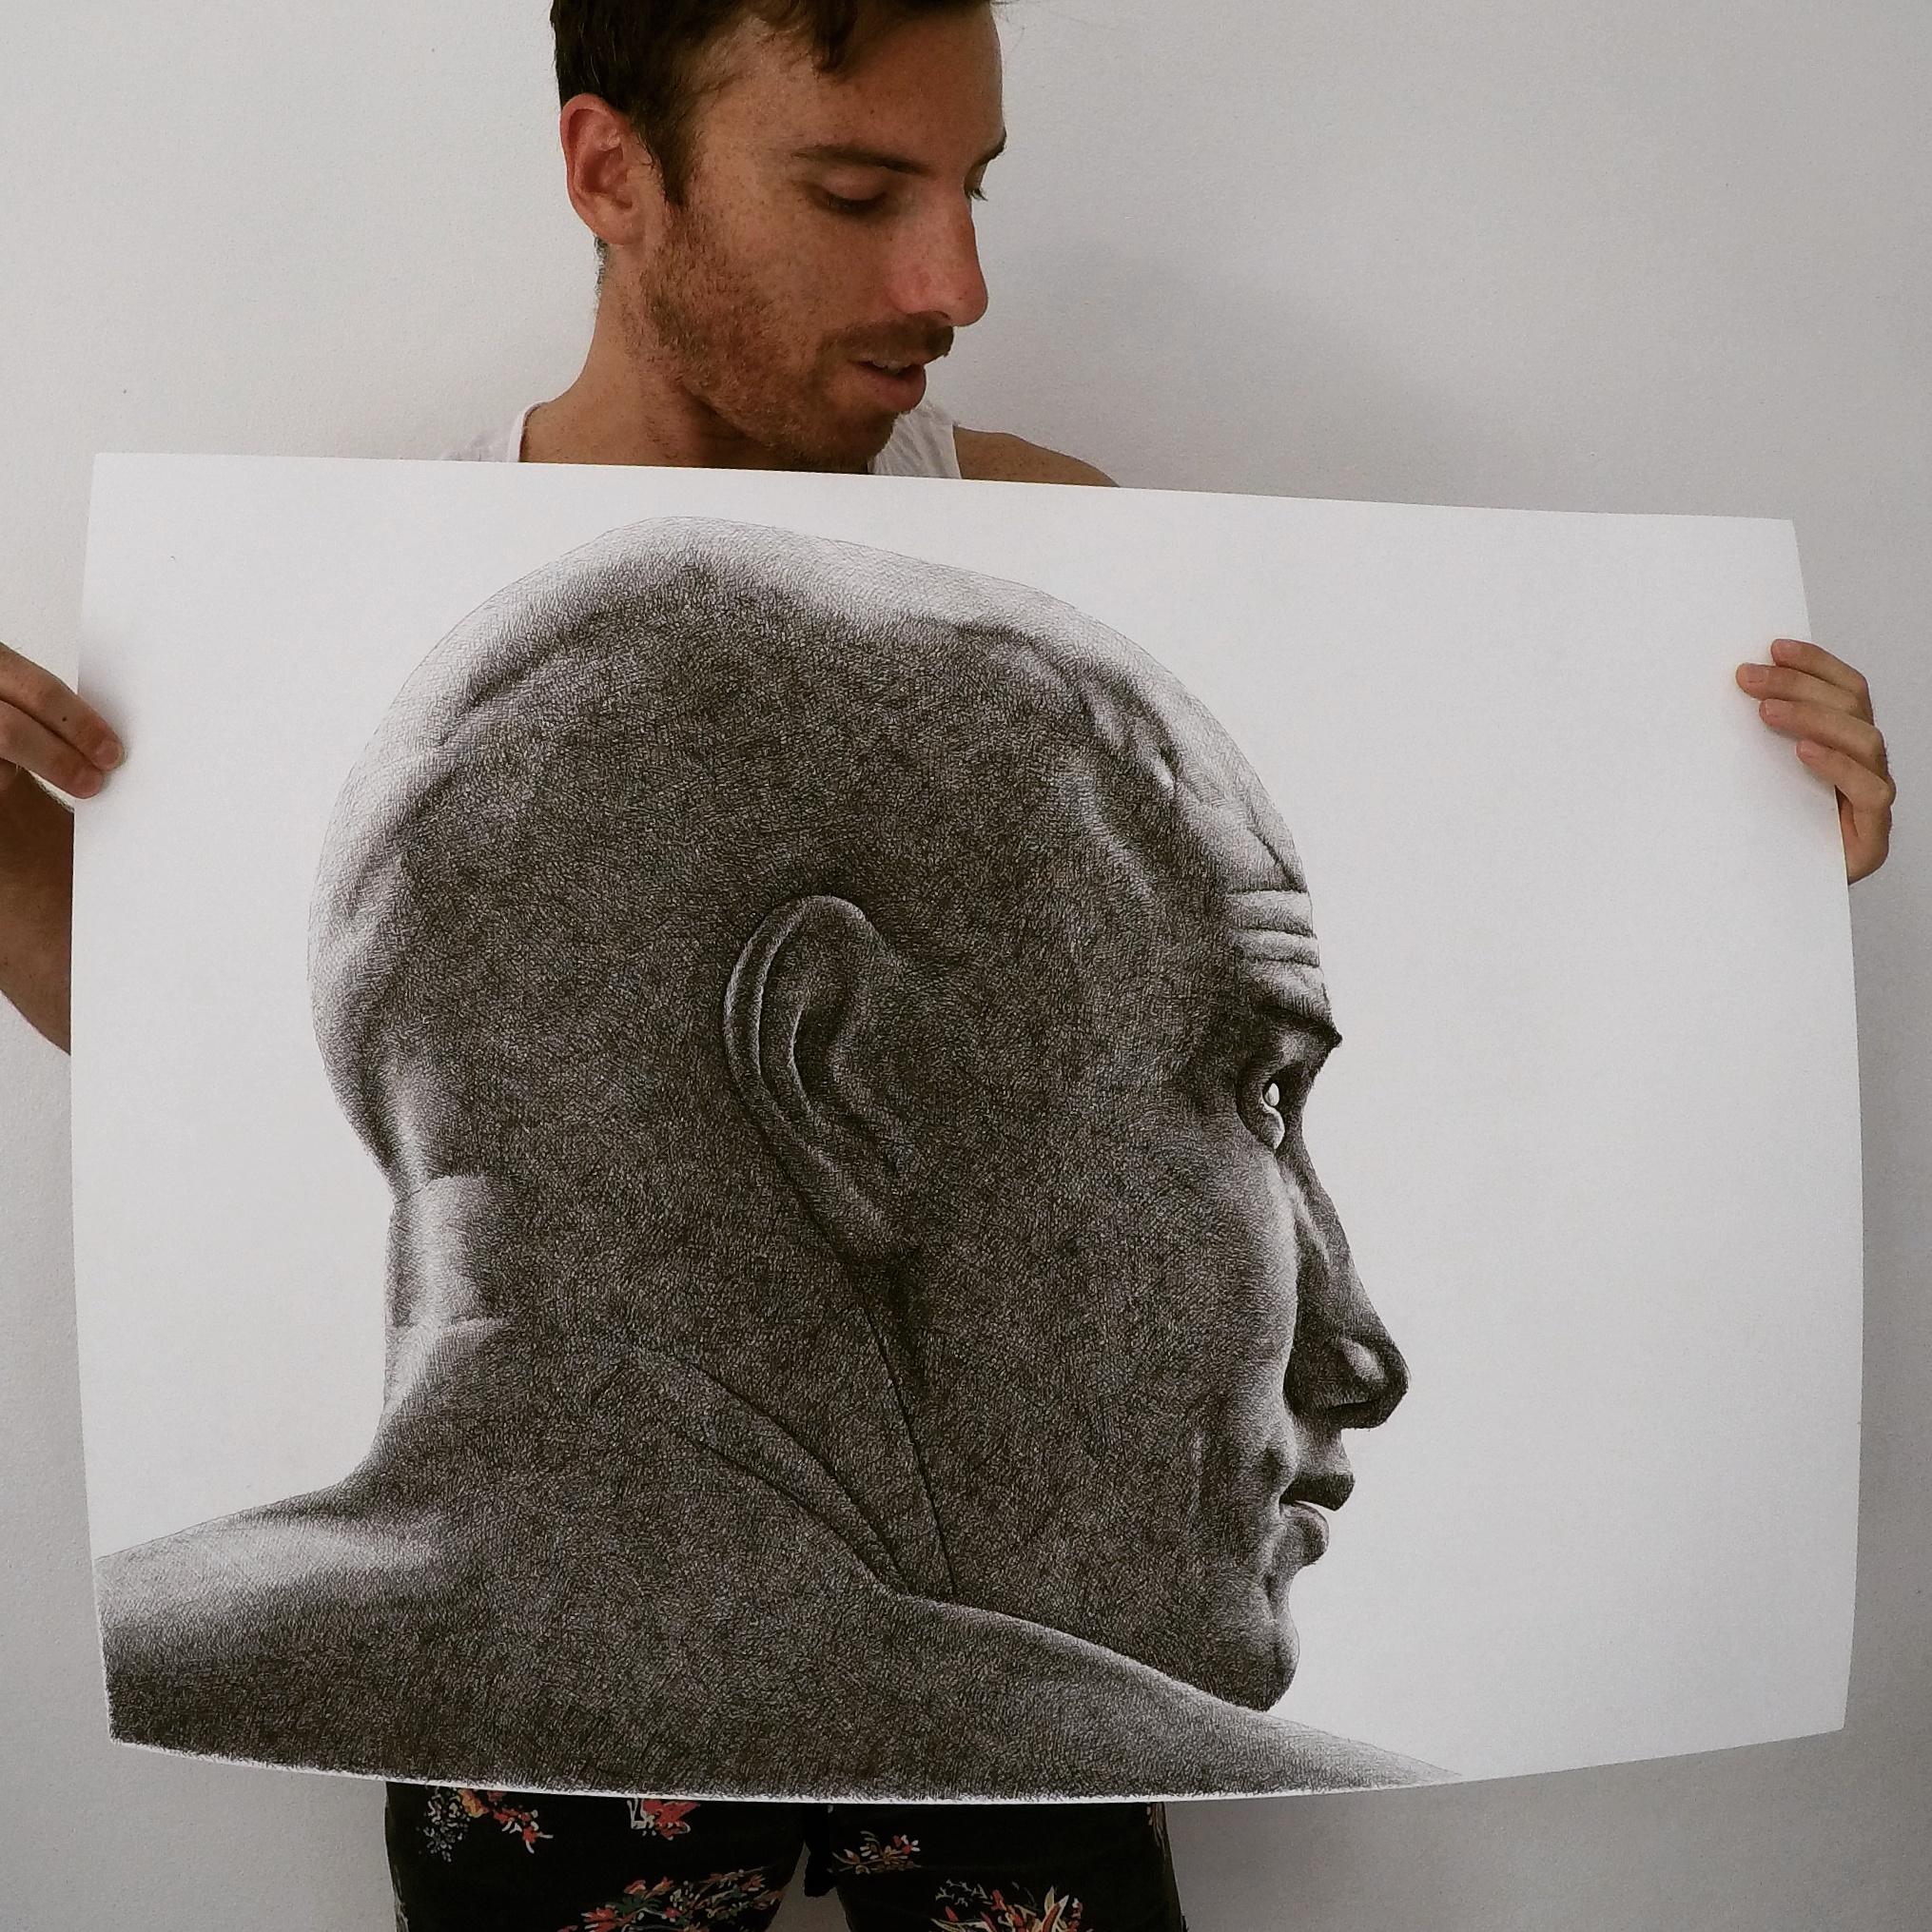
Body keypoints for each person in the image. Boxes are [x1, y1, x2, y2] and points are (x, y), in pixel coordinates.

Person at [0, 1, 1896, 1927]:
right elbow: (185, 1060)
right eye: (857, 193)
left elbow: (1501, 943)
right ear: (610, 172)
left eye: (970, 189)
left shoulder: (1054, 533)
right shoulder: (342, 567)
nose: (957, 285)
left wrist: (1731, 875)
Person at [99, 517, 1423, 1805]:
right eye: (1259, 1093)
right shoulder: (1355, 1827)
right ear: (847, 1075)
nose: (1361, 1360)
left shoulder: (61, 1682)